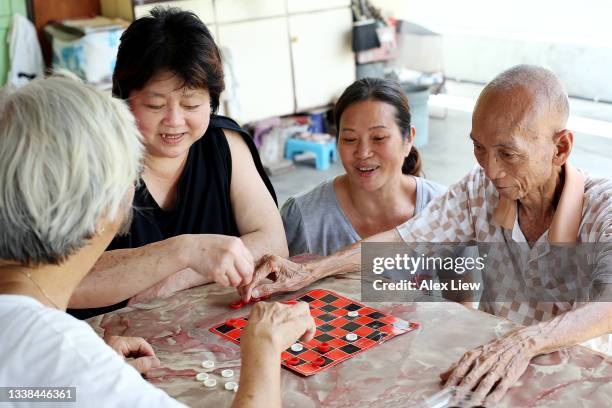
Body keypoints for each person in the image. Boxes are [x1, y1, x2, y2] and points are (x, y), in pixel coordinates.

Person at [240, 65, 612, 404]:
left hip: (580, 387)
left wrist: (526, 341)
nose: (491, 169)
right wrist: (313, 271)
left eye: (508, 154)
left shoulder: (602, 207)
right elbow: (409, 239)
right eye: (479, 148)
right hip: (492, 381)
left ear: (560, 147)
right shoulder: (480, 189)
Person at [0, 75, 315, 408]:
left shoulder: (62, 355)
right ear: (98, 209)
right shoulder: (65, 356)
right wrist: (263, 347)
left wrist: (85, 381)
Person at [68, 8, 287, 318]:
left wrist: (177, 278)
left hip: (207, 331)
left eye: (191, 104)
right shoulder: (96, 160)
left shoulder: (223, 143)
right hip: (108, 344)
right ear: (124, 99)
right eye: (155, 105)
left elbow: (273, 241)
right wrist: (182, 252)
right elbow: (61, 281)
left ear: (211, 101)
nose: (174, 121)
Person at [281, 78, 444, 256]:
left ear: (408, 139)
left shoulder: (445, 210)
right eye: (350, 139)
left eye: (379, 137)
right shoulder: (303, 218)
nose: (363, 152)